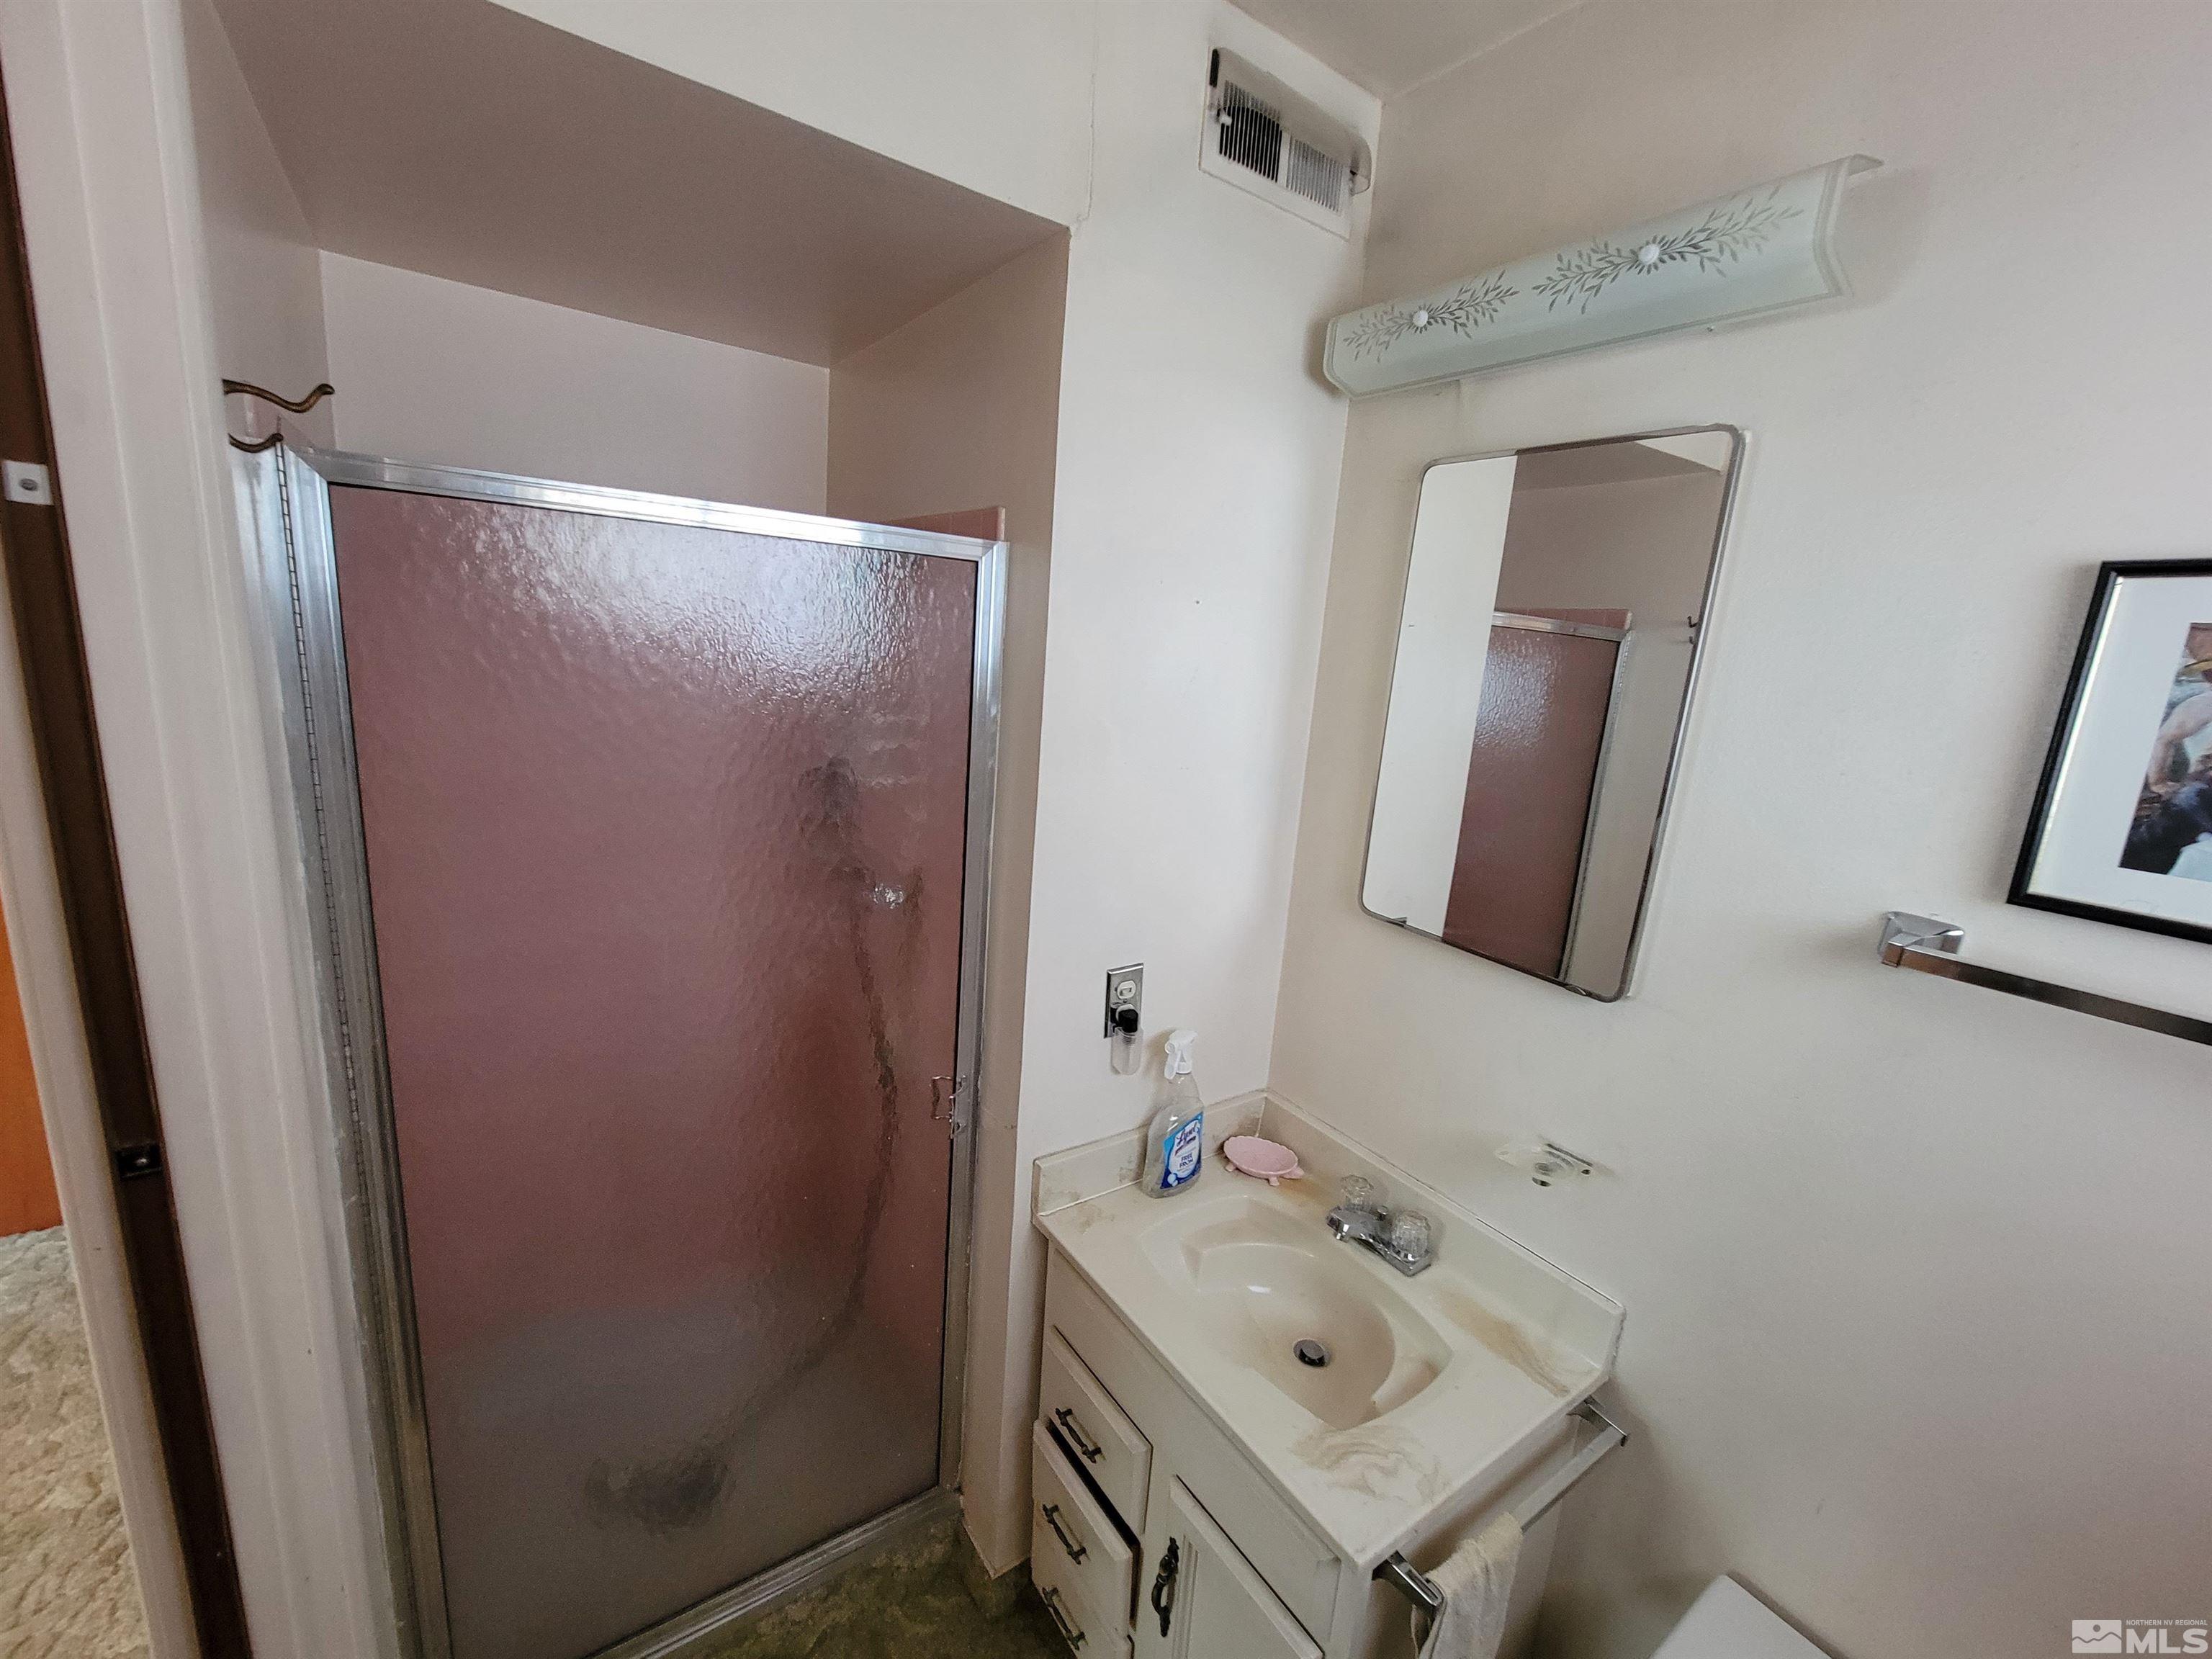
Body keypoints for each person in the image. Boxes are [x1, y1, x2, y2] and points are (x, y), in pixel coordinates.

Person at [2123, 642, 2212, 876]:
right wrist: (2159, 782)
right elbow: (2163, 740)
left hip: (2197, 798)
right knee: (2152, 848)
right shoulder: (2202, 705)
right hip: (2198, 799)